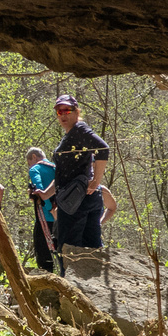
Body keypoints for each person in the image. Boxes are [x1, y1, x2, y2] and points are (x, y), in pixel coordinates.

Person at [44, 94, 110, 257]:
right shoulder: (72, 134)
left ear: (76, 111)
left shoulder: (79, 129)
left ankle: (71, 282)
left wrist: (96, 181)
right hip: (82, 198)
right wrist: (46, 193)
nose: (63, 115)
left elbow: (103, 149)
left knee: (69, 251)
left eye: (67, 110)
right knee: (92, 251)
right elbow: (65, 172)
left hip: (77, 201)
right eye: (59, 112)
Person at [23, 146, 57, 272]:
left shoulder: (35, 169)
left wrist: (49, 209)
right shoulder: (56, 167)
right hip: (62, 216)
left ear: (33, 157)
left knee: (44, 255)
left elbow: (40, 189)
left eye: (28, 163)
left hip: (45, 216)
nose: (29, 166)